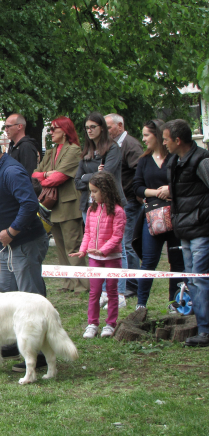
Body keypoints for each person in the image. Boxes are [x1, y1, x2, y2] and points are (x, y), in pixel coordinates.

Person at [0, 138, 49, 373]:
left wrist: (12, 231)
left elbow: (29, 204)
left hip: (24, 243)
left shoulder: (12, 171)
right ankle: (15, 343)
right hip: (4, 245)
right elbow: (0, 204)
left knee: (30, 298)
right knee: (4, 295)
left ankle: (40, 354)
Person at [163, 119, 209, 347]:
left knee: (200, 280)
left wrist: (202, 215)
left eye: (165, 139)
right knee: (192, 279)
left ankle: (206, 331)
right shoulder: (175, 161)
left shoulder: (202, 160)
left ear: (177, 140)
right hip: (185, 228)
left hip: (201, 228)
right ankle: (202, 325)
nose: (164, 143)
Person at [132, 119, 185, 310]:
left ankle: (176, 303)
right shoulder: (144, 160)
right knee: (149, 261)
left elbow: (184, 182)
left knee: (177, 261)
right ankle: (141, 304)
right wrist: (156, 192)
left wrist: (171, 190)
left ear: (158, 135)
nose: (144, 139)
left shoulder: (175, 159)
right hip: (152, 217)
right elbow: (137, 187)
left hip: (176, 216)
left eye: (147, 135)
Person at [75, 111, 128, 302]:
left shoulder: (112, 148)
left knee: (115, 246)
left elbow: (106, 177)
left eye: (93, 127)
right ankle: (103, 291)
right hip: (89, 206)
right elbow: (77, 182)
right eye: (87, 127)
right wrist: (91, 177)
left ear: (101, 128)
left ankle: (119, 292)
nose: (89, 131)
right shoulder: (86, 152)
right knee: (94, 245)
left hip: (111, 205)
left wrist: (86, 177)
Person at [31, 117, 88, 294]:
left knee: (73, 246)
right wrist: (48, 173)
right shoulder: (51, 151)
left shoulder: (74, 150)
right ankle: (68, 282)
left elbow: (59, 177)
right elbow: (35, 174)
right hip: (52, 206)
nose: (50, 132)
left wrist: (47, 175)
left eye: (54, 129)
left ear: (64, 130)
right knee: (61, 247)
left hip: (69, 205)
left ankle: (83, 284)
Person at [70, 172, 126, 338]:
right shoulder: (91, 210)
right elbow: (87, 232)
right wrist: (83, 249)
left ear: (106, 190)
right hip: (94, 259)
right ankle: (92, 323)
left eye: (94, 191)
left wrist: (104, 250)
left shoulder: (118, 211)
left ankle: (110, 323)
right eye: (90, 192)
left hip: (112, 258)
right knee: (94, 292)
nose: (91, 195)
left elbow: (117, 236)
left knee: (111, 291)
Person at [106, 113, 142, 298]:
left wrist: (134, 194)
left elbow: (139, 172)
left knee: (126, 244)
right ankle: (128, 281)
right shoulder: (113, 146)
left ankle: (132, 284)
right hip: (119, 202)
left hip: (129, 201)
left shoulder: (130, 145)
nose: (106, 131)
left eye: (109, 127)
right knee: (122, 243)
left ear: (120, 126)